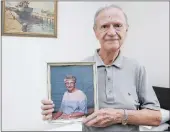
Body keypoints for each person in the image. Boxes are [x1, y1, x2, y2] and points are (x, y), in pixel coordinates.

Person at [41, 4, 161, 131]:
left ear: (126, 29)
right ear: (95, 32)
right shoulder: (81, 69)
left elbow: (156, 117)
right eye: (104, 26)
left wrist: (119, 116)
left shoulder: (137, 68)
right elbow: (76, 108)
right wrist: (52, 112)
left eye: (118, 25)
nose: (111, 32)